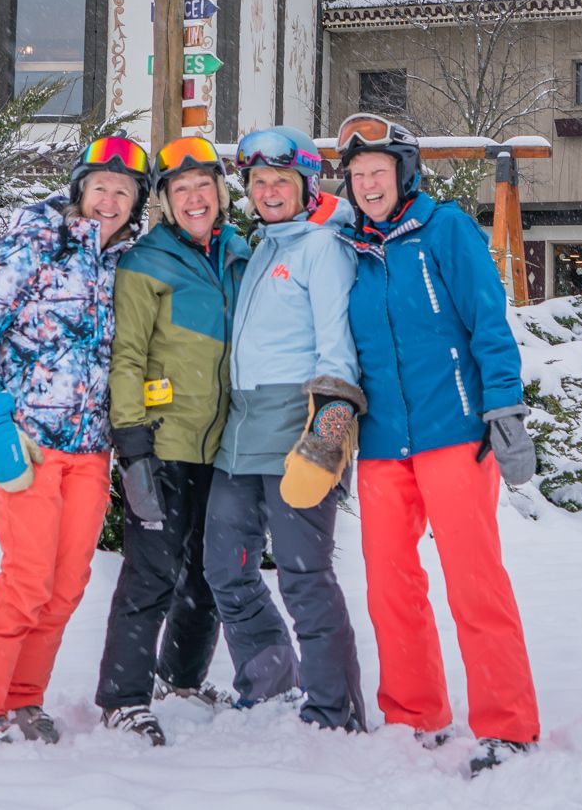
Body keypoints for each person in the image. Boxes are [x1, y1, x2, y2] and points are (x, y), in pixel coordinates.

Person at [336, 113, 541, 776]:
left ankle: (507, 724)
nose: (369, 184)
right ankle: (412, 714)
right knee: (390, 585)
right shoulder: (347, 246)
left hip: (454, 433)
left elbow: (488, 320)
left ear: (404, 172)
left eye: (379, 171)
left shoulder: (445, 228)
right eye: (359, 174)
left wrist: (503, 409)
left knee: (474, 581)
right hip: (382, 443)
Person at [0, 136, 150, 746]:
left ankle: (22, 699)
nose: (109, 200)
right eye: (100, 187)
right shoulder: (33, 242)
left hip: (90, 447)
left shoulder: (123, 263)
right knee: (27, 578)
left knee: (65, 585)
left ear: (135, 205)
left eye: (123, 192)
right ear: (81, 189)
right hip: (29, 440)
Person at [202, 125, 369, 734]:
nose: (269, 190)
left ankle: (333, 710)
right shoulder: (263, 246)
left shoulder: (322, 248)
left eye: (281, 180)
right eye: (259, 180)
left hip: (298, 428)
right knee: (224, 566)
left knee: (305, 576)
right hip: (241, 431)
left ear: (307, 185)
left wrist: (328, 433)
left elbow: (338, 347)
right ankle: (270, 678)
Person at [94, 135, 250, 746]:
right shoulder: (145, 264)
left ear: (219, 192)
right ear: (162, 200)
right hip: (161, 442)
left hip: (226, 445)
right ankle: (122, 696)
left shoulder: (238, 253)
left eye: (203, 186)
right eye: (180, 188)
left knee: (210, 572)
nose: (194, 197)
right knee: (151, 573)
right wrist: (131, 444)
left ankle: (181, 678)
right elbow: (126, 355)